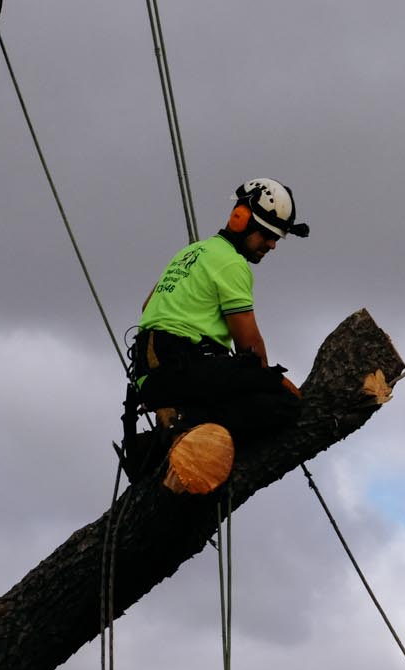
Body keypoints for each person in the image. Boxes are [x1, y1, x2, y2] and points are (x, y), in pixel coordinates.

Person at [121, 178, 309, 484]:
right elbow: (250, 346)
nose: (272, 244)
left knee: (236, 389)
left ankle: (159, 444)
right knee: (282, 405)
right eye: (267, 234)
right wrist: (272, 381)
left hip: (152, 373)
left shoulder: (191, 252)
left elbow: (148, 307)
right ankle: (184, 423)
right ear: (241, 220)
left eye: (277, 237)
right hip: (180, 365)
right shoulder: (232, 264)